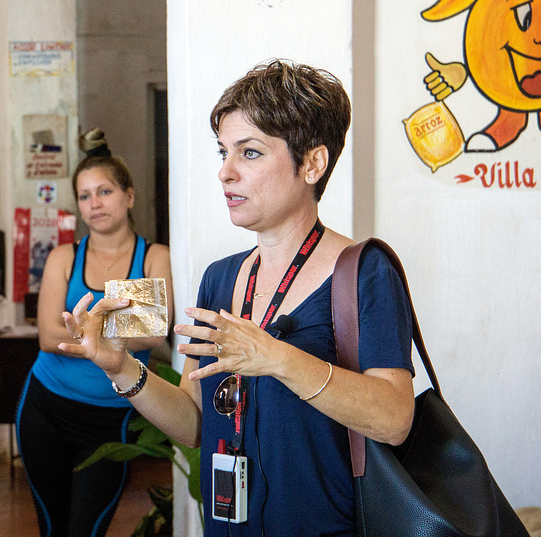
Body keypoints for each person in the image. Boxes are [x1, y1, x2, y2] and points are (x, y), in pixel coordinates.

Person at [58, 60, 415, 536]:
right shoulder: (220, 279)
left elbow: (394, 419)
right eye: (223, 152)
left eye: (249, 153)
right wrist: (120, 367)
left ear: (312, 163)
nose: (225, 172)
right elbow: (194, 422)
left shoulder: (363, 271)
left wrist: (276, 357)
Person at [16, 129, 174, 537]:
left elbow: (153, 335)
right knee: (52, 526)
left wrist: (85, 328)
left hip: (110, 418)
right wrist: (111, 331)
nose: (94, 203)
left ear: (129, 196)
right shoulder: (64, 257)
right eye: (85, 196)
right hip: (45, 408)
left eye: (104, 191)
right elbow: (49, 338)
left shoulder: (153, 257)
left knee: (85, 530)